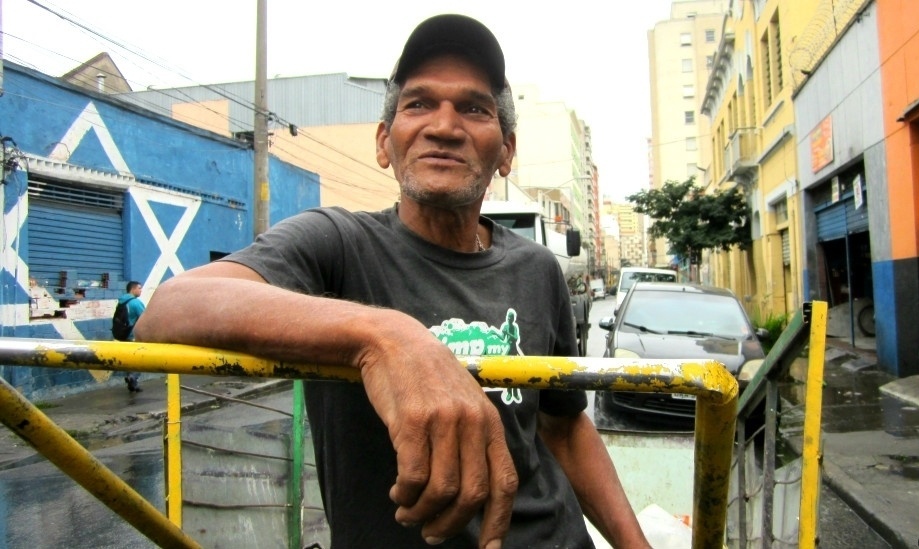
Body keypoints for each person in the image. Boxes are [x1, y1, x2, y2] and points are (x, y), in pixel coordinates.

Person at [137, 14, 651, 549]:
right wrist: (384, 339)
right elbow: (172, 307)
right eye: (418, 104)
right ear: (385, 141)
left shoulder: (537, 269)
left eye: (474, 109)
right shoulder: (337, 243)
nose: (444, 126)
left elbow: (563, 426)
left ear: (506, 152)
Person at [118, 280, 145, 392]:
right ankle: (133, 377)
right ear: (133, 289)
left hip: (122, 335)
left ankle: (132, 383)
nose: (141, 290)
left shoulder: (121, 301)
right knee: (141, 359)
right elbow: (145, 318)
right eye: (139, 288)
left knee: (129, 360)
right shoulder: (135, 303)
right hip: (132, 336)